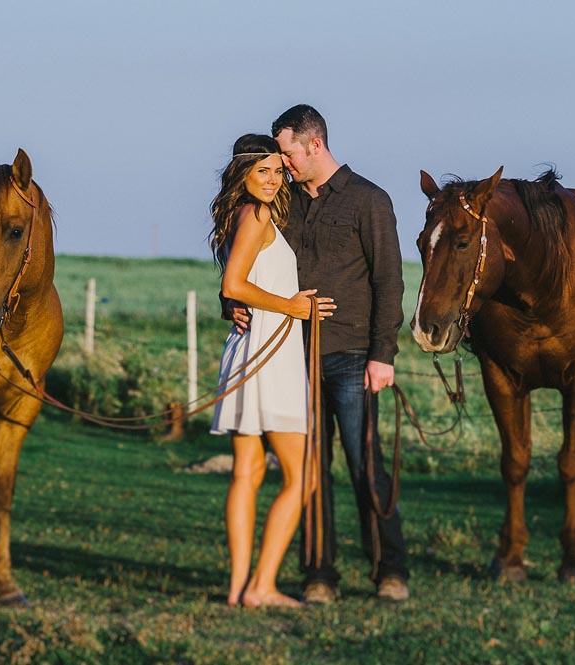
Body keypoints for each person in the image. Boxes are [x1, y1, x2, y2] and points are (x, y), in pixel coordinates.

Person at [234, 106, 410, 602]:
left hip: (354, 355)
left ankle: (390, 570)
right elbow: (248, 259)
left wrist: (383, 354)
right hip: (292, 357)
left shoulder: (369, 200)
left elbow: (388, 280)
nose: (282, 164)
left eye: (287, 153)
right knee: (308, 471)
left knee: (364, 465)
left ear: (315, 145)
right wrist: (233, 303)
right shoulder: (282, 201)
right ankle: (318, 575)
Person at [209, 133, 334, 608]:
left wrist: (240, 304)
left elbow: (235, 289)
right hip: (268, 353)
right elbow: (234, 282)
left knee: (249, 472)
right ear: (242, 173)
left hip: (246, 347)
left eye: (278, 172)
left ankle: (240, 589)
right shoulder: (257, 214)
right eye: (263, 170)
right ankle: (261, 586)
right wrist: (293, 308)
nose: (273, 180)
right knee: (301, 477)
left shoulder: (239, 216)